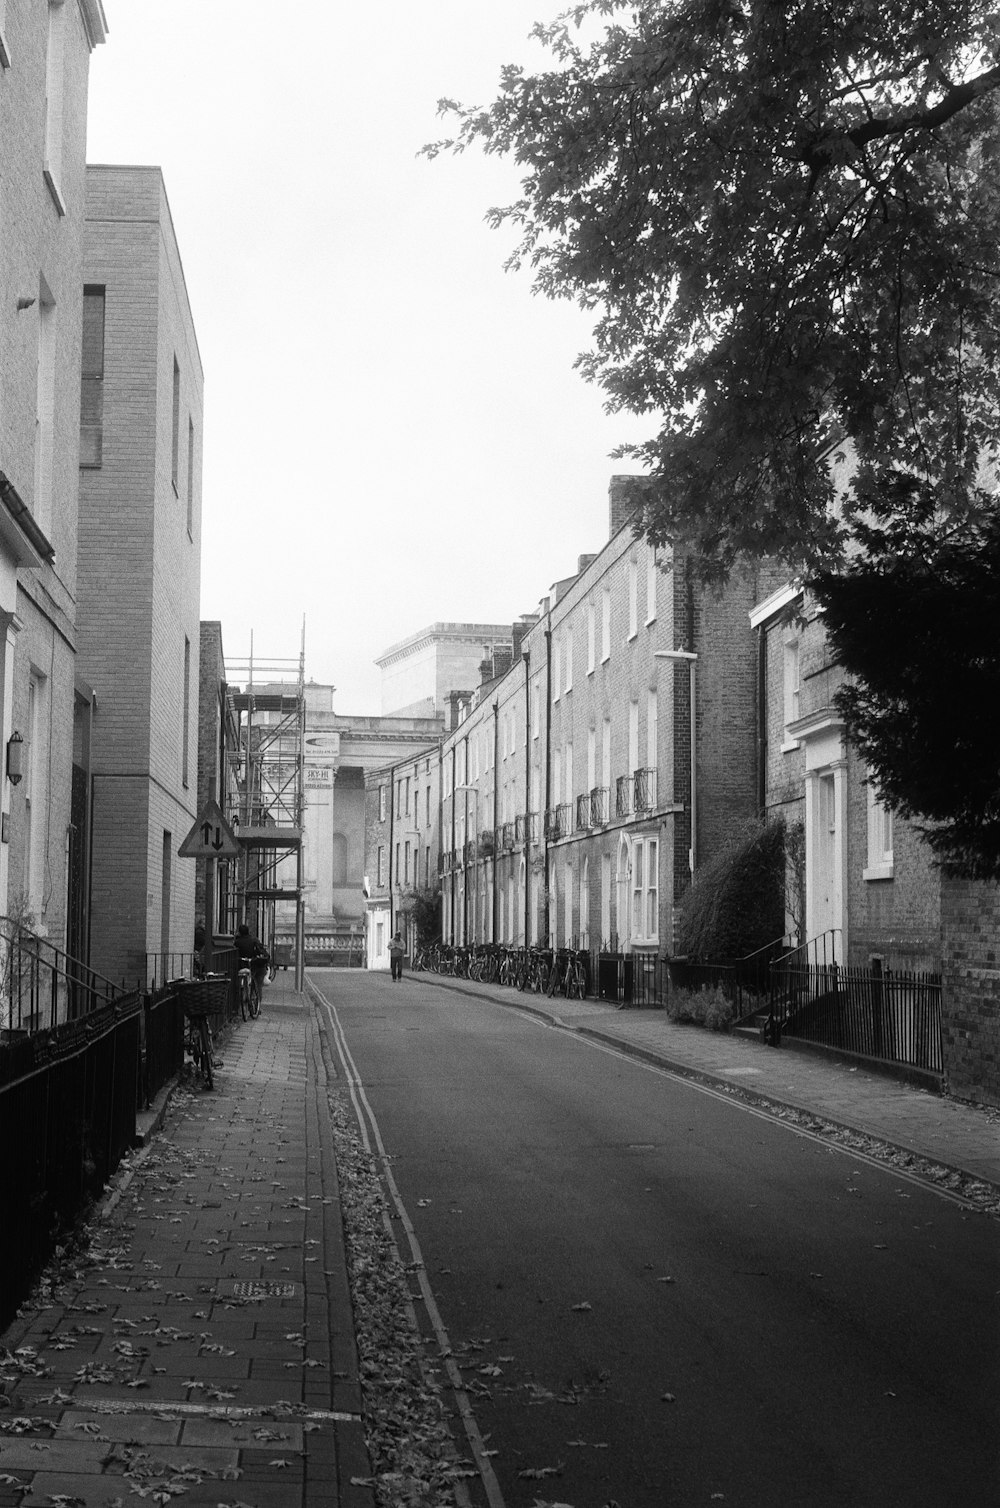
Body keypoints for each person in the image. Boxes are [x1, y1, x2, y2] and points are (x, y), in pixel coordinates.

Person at [235, 922, 269, 1000]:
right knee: (258, 985)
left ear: (239, 932)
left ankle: (247, 999)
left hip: (249, 965)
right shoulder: (254, 939)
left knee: (247, 981)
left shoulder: (238, 942)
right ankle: (258, 1005)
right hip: (260, 964)